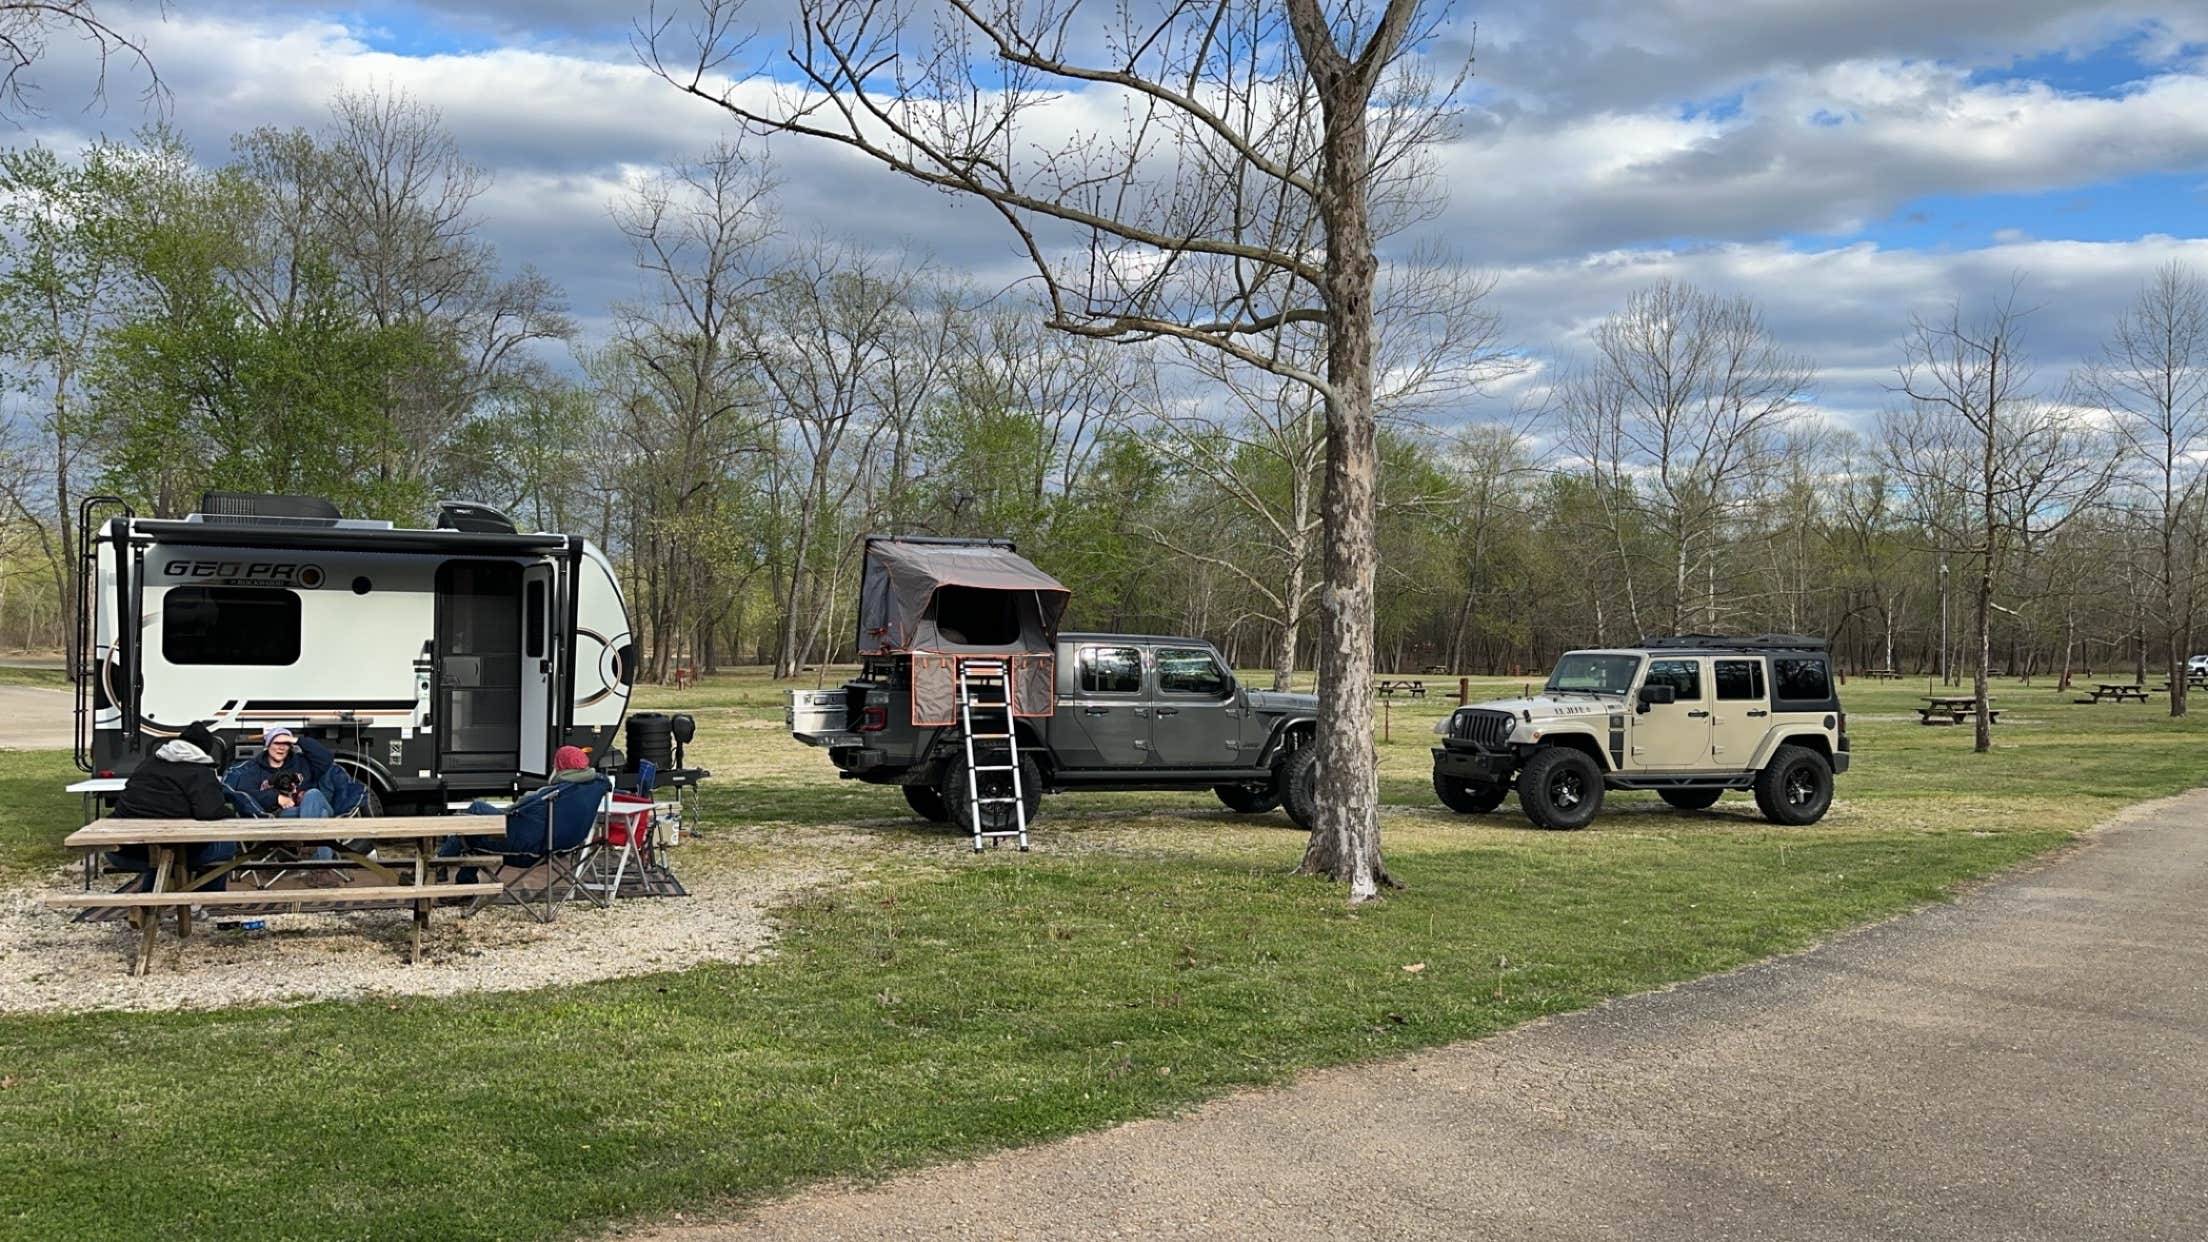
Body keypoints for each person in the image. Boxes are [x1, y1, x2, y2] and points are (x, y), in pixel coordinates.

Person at [439, 746, 609, 884]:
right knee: (473, 827)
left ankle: (437, 867)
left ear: (561, 767)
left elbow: (513, 812)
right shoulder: (592, 787)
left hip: (528, 851)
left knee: (474, 816)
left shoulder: (553, 794)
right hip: (563, 847)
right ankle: (461, 881)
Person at [109, 721, 239, 892]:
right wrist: (232, 813)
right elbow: (210, 811)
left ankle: (149, 902)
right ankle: (198, 900)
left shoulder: (147, 765)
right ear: (204, 750)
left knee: (162, 852)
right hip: (174, 851)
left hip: (123, 850)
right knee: (225, 845)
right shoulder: (199, 772)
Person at [223, 727, 335, 818]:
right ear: (268, 745)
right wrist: (276, 797)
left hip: (314, 802)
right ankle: (312, 844)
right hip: (285, 812)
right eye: (276, 743)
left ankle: (307, 842)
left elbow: (327, 758)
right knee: (322, 814)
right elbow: (246, 794)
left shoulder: (303, 762)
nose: (281, 747)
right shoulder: (254, 768)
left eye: (286, 743)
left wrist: (296, 740)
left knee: (313, 794)